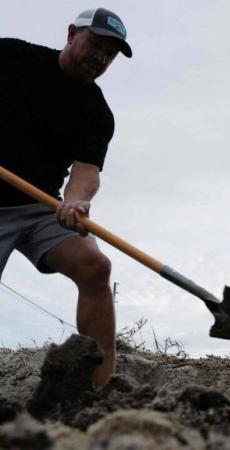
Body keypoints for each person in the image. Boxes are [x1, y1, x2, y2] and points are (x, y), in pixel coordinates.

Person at [0, 8, 132, 387]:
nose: (100, 58)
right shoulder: (12, 57)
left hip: (41, 207)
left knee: (95, 266)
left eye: (109, 55)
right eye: (95, 45)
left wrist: (75, 202)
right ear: (72, 33)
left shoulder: (96, 112)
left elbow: (86, 171)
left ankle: (97, 388)